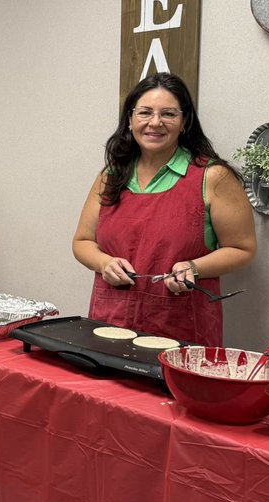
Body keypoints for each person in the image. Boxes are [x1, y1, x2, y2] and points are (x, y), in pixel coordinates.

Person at [72, 72, 256, 346]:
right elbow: (82, 241)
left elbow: (243, 249)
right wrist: (104, 263)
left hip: (181, 329)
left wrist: (194, 267)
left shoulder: (213, 177)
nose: (155, 122)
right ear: (130, 120)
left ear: (184, 122)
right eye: (145, 112)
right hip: (109, 323)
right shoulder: (111, 176)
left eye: (168, 114)